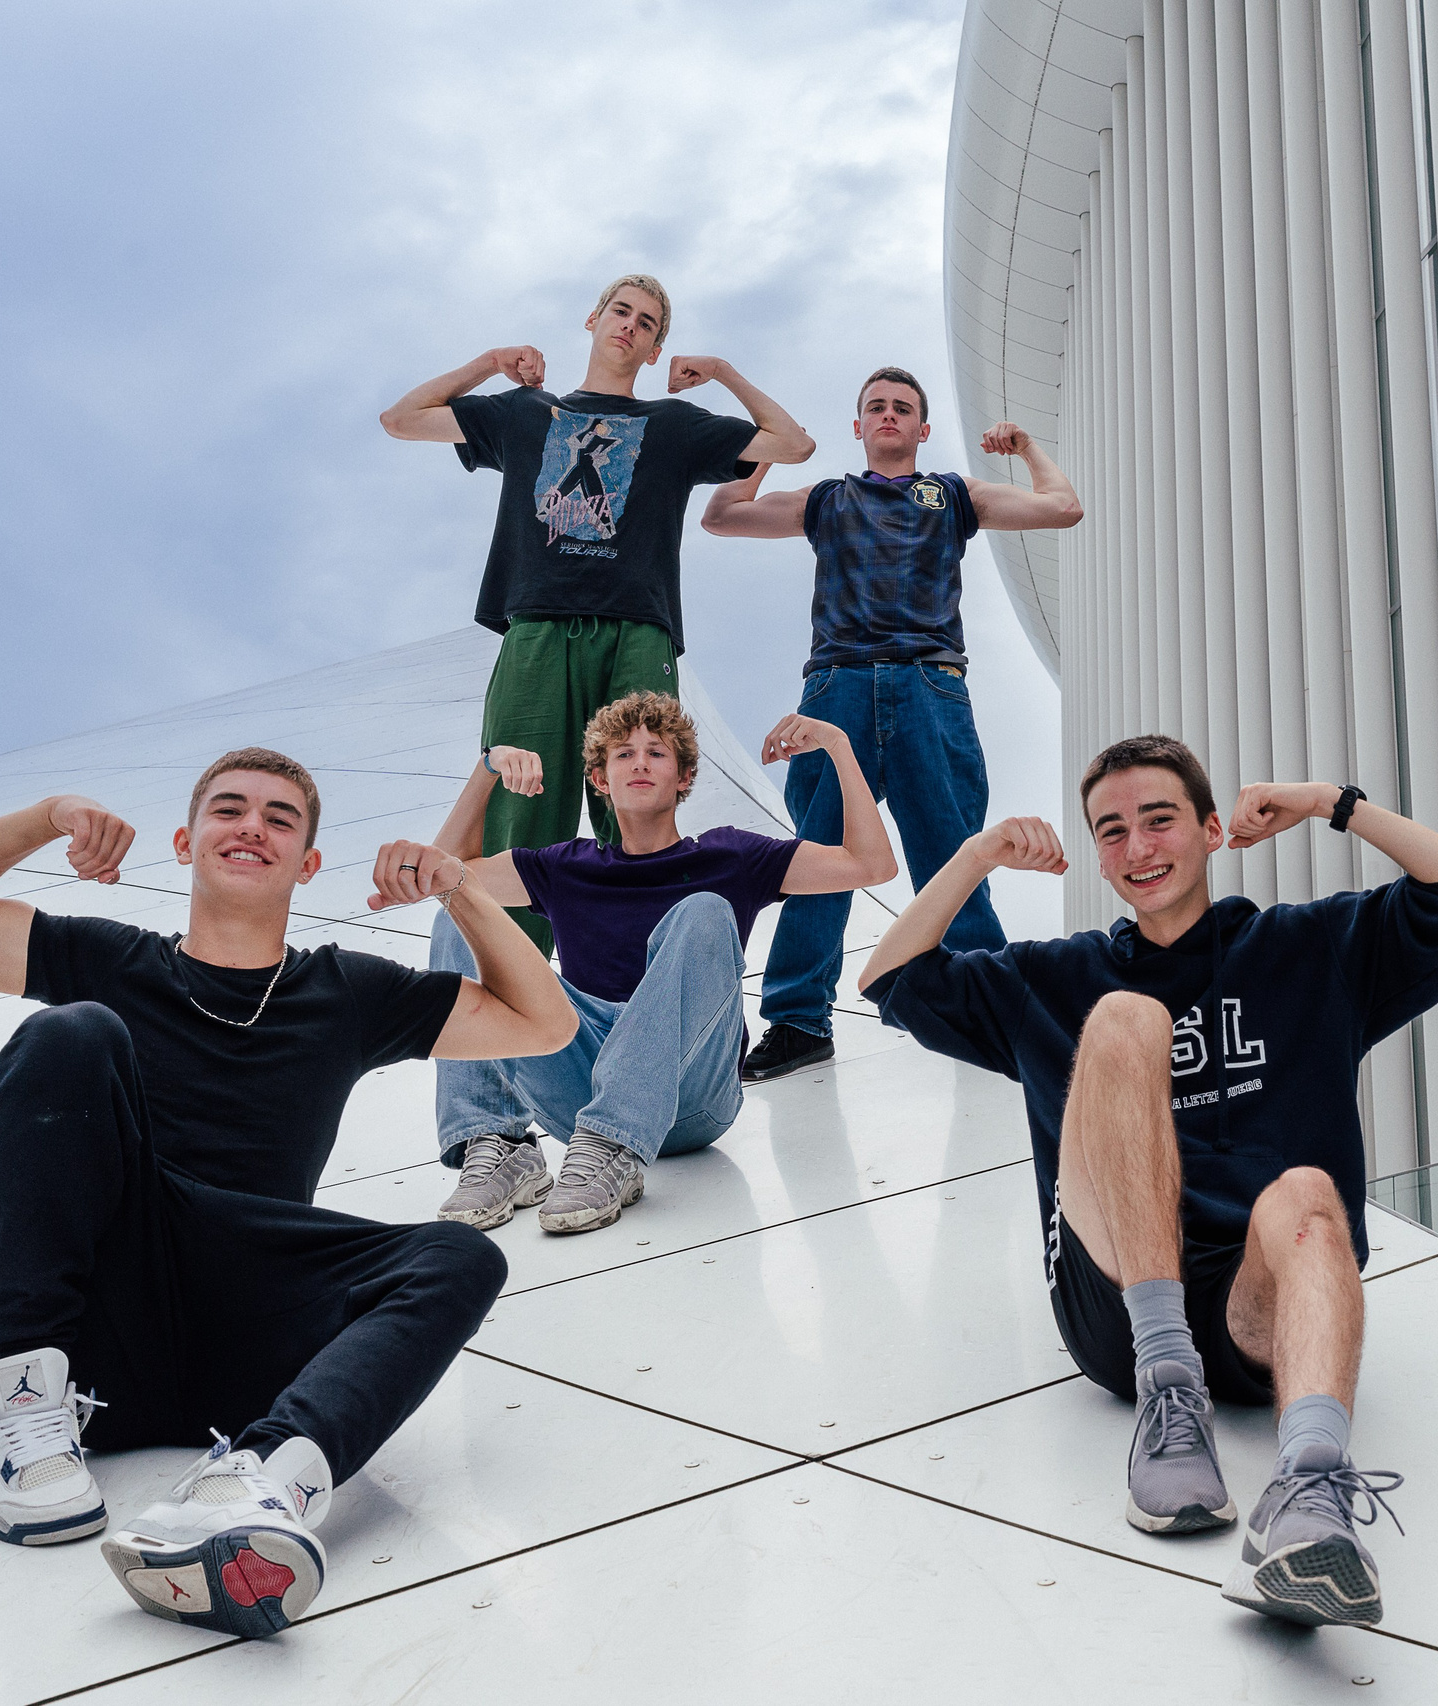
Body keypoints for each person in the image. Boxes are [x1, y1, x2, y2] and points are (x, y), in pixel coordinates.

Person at [0, 748, 578, 1641]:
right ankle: (21, 1403)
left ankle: (265, 1485)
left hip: (256, 1324)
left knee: (463, 1253)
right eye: (229, 810)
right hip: (103, 1322)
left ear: (308, 864)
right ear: (185, 842)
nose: (252, 827)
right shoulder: (104, 958)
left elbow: (545, 1023)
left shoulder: (347, 989)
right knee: (69, 1033)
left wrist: (458, 888)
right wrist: (45, 818)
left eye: (281, 819)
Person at [856, 735, 1438, 1630]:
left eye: (1159, 820)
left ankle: (1310, 1496)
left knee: (1311, 1195)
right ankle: (1172, 1396)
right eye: (1111, 832)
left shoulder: (1306, 948)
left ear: (1210, 831)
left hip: (1258, 1310)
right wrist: (978, 856)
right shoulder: (1057, 977)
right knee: (1123, 1019)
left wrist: (1328, 802)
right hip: (1119, 1307)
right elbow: (889, 980)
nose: (1138, 848)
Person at [380, 273, 816, 947]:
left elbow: (792, 444)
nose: (631, 326)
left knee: (638, 805)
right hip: (538, 628)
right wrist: (491, 364)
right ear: (592, 319)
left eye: (648, 324)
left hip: (637, 631)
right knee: (520, 806)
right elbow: (401, 420)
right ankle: (514, 996)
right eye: (622, 311)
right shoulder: (526, 413)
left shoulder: (672, 425)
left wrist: (724, 371)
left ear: (652, 352)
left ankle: (629, 981)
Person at [700, 367, 1081, 1083]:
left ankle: (979, 1007)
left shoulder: (953, 496)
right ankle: (797, 1021)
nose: (888, 415)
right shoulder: (827, 499)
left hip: (928, 682)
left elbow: (1063, 507)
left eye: (902, 407)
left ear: (922, 428)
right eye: (874, 406)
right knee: (820, 855)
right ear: (858, 425)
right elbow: (720, 516)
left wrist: (1028, 446)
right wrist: (766, 450)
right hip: (836, 687)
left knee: (949, 847)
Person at [426, 691, 896, 1235]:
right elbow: (443, 877)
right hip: (581, 1090)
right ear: (601, 781)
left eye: (657, 752)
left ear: (684, 778)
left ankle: (616, 1142)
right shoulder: (565, 867)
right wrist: (486, 770)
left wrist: (838, 746)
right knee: (460, 911)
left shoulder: (730, 857)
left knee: (702, 911)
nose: (641, 763)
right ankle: (499, 1144)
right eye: (623, 755)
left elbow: (872, 864)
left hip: (692, 1097)